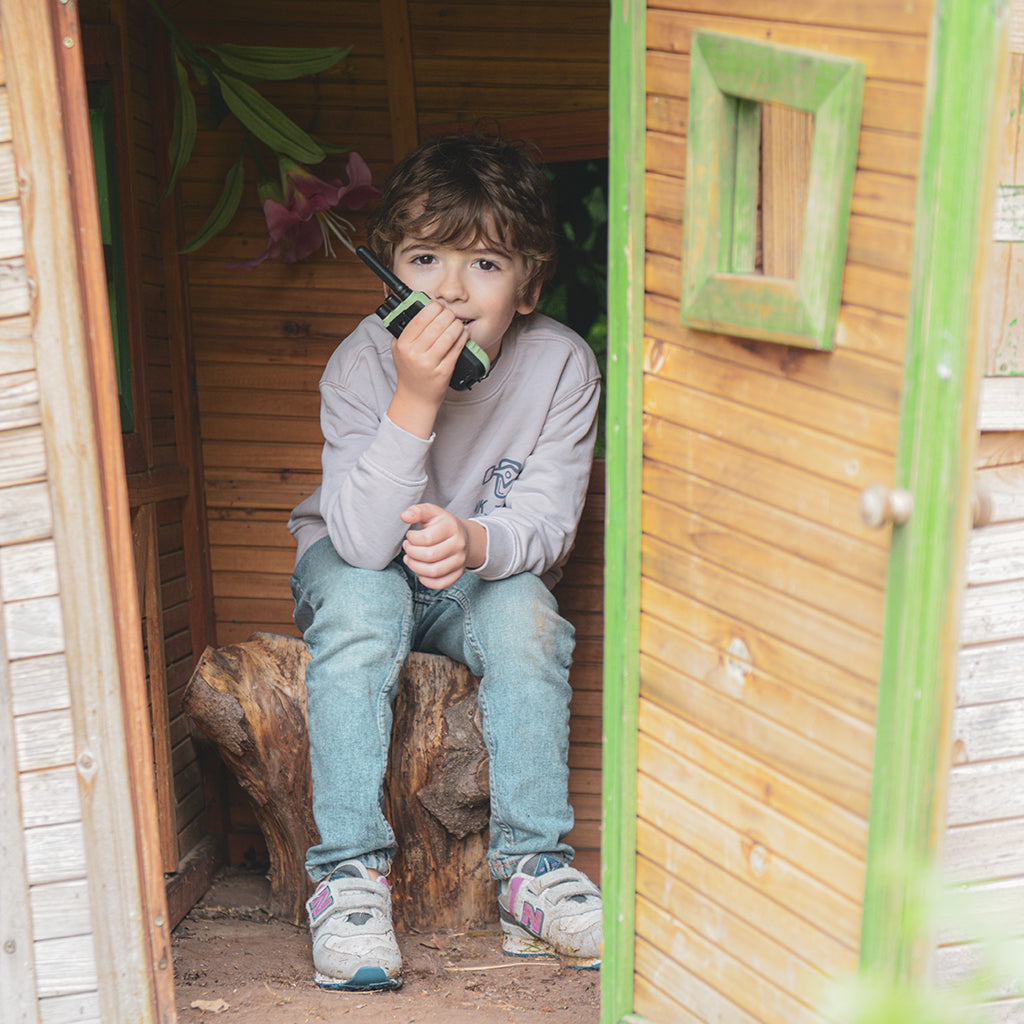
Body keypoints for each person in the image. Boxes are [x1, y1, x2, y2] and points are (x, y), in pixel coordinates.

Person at [287, 133, 602, 992]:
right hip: (356, 563)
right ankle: (348, 878)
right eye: (424, 258)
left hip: (471, 578)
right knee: (361, 603)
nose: (450, 289)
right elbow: (358, 542)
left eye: (485, 264)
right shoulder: (361, 360)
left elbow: (547, 524)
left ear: (529, 285)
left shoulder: (562, 366)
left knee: (528, 609)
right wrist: (414, 396)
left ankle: (533, 872)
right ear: (389, 269)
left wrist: (474, 542)